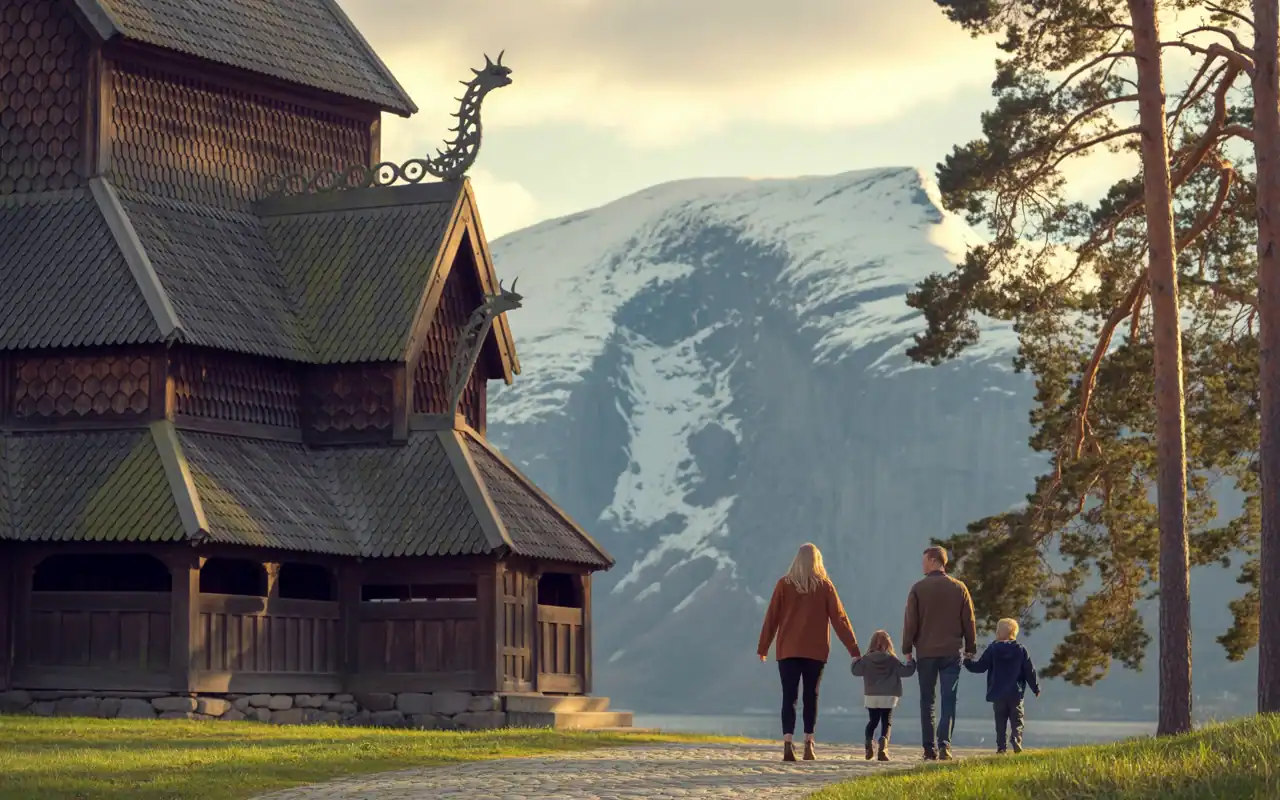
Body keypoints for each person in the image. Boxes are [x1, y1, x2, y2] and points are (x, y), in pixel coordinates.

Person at [758, 542, 861, 762]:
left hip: (787, 650)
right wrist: (853, 648)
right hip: (816, 650)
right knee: (811, 695)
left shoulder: (784, 585)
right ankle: (809, 743)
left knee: (789, 696)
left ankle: (787, 743)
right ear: (817, 561)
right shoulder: (824, 586)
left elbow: (772, 617)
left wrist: (763, 647)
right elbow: (839, 619)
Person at [901, 545, 976, 761]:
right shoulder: (959, 588)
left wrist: (907, 650)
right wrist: (970, 648)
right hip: (952, 653)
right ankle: (945, 745)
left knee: (928, 701)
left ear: (934, 561)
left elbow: (910, 623)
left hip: (925, 653)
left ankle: (928, 749)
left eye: (925, 560)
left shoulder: (918, 589)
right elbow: (968, 621)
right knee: (948, 699)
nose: (922, 564)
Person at [964, 617, 1041, 754]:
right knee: (1017, 720)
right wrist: (1035, 687)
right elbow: (1030, 671)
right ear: (1014, 634)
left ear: (998, 633)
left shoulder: (993, 649)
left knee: (1000, 722)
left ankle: (1001, 747)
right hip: (1015, 693)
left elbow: (980, 667)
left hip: (998, 693)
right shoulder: (1020, 650)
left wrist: (967, 661)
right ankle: (1016, 738)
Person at [850, 629, 915, 761]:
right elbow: (906, 672)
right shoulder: (892, 659)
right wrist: (910, 661)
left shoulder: (866, 659)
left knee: (873, 721)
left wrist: (855, 661)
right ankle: (883, 745)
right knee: (886, 721)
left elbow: (856, 671)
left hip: (871, 695)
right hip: (889, 696)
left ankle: (869, 742)